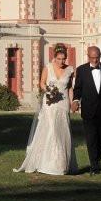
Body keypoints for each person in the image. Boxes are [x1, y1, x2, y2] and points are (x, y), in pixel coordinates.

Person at [14, 44, 78, 175]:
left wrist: (72, 103)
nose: (62, 62)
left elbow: (70, 88)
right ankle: (49, 164)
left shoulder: (70, 70)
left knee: (62, 132)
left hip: (63, 103)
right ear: (54, 58)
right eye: (59, 59)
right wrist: (48, 90)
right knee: (52, 131)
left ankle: (62, 164)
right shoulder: (48, 68)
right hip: (50, 103)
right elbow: (42, 83)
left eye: (64, 59)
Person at [71, 46, 101, 175]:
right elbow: (78, 89)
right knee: (91, 138)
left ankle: (97, 160)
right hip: (88, 110)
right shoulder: (81, 70)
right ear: (88, 56)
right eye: (92, 58)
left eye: (97, 57)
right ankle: (95, 166)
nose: (95, 60)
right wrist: (76, 101)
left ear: (100, 56)